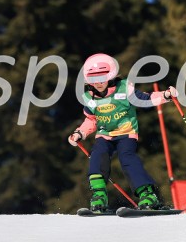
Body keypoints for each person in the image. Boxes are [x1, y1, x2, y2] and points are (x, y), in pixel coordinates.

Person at [67, 53, 178, 212]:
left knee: (127, 157)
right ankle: (99, 196)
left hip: (126, 133)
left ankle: (147, 195)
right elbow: (91, 120)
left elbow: (145, 99)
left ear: (111, 75)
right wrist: (80, 133)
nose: (97, 83)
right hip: (105, 134)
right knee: (98, 156)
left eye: (102, 78)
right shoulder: (89, 98)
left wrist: (165, 95)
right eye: (92, 79)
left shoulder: (125, 88)